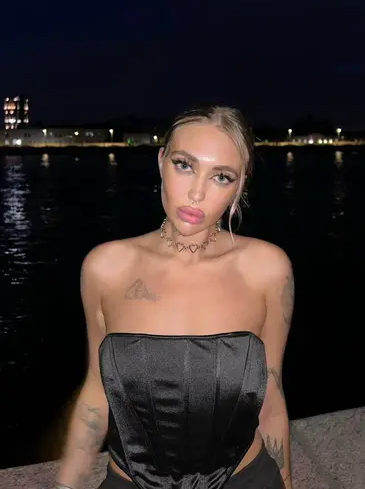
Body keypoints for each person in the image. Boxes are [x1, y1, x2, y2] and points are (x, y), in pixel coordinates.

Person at [55, 105, 294, 489]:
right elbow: (97, 392)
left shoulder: (267, 269)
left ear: (239, 186)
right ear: (161, 161)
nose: (197, 193)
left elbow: (271, 396)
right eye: (185, 165)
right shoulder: (106, 267)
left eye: (221, 176)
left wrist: (285, 482)